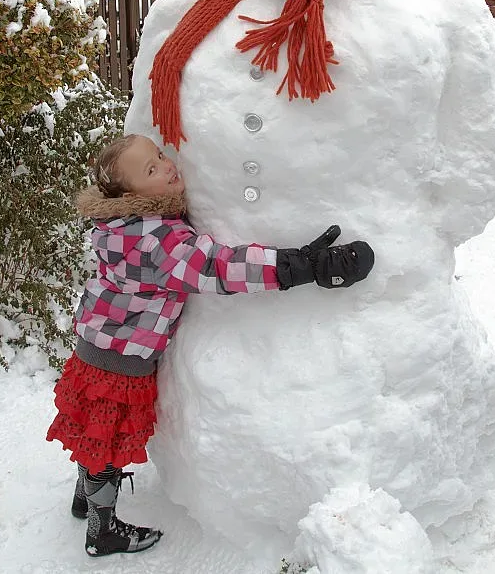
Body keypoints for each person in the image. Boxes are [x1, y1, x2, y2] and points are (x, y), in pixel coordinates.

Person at [47, 134, 375, 557]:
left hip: (99, 344)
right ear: (129, 194)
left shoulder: (121, 226)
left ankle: (87, 499)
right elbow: (222, 268)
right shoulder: (156, 242)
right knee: (107, 438)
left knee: (96, 432)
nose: (166, 165)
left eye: (160, 156)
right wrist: (304, 265)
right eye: (150, 170)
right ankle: (102, 530)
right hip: (120, 358)